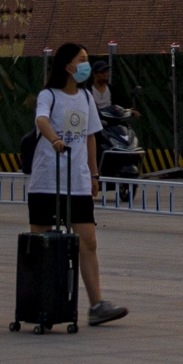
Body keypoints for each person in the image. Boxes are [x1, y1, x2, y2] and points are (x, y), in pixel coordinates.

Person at [30, 42, 129, 326]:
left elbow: (90, 137)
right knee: (42, 242)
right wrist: (55, 140)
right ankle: (41, 302)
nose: (86, 65)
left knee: (88, 240)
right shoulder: (49, 95)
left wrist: (94, 175)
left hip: (78, 182)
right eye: (81, 59)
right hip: (47, 180)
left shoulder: (86, 98)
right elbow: (41, 120)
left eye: (87, 59)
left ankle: (96, 304)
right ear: (66, 65)